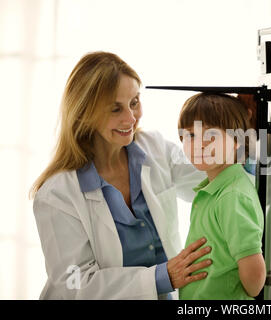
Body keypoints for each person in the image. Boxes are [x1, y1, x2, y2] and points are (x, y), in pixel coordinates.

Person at [29, 51, 212, 299]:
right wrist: (162, 277)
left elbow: (215, 180)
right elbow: (74, 283)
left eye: (134, 102)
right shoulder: (56, 195)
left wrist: (243, 128)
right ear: (84, 113)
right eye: (115, 109)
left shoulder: (156, 149)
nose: (130, 118)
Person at [177, 93, 266, 300]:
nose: (199, 144)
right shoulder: (214, 189)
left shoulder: (232, 197)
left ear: (237, 140)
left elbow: (255, 275)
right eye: (190, 135)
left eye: (211, 136)